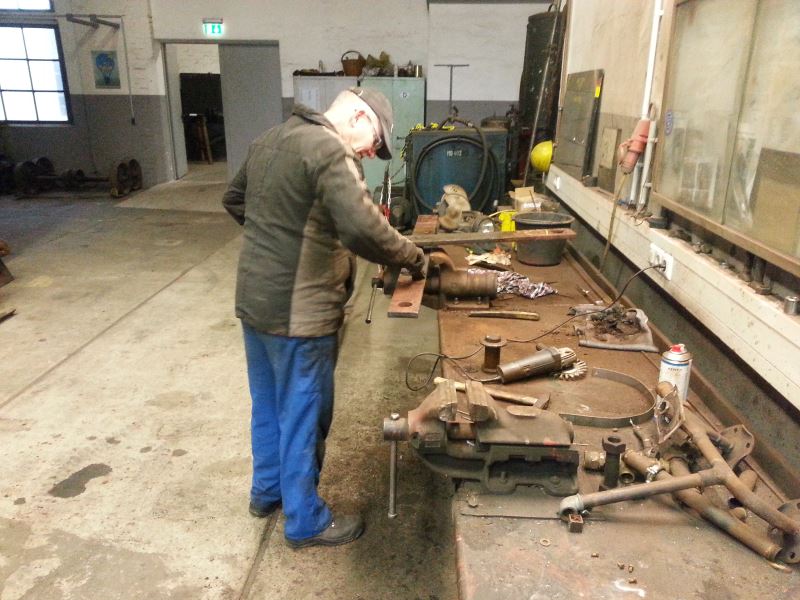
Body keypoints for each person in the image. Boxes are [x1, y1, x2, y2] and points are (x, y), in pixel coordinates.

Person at [222, 88, 425, 549]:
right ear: (359, 116)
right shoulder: (331, 150)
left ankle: (266, 492)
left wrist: (279, 237)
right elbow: (364, 229)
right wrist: (415, 258)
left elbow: (235, 200)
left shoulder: (270, 139)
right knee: (304, 413)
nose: (371, 153)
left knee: (268, 405)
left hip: (256, 304)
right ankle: (305, 520)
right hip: (302, 314)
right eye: (375, 141)